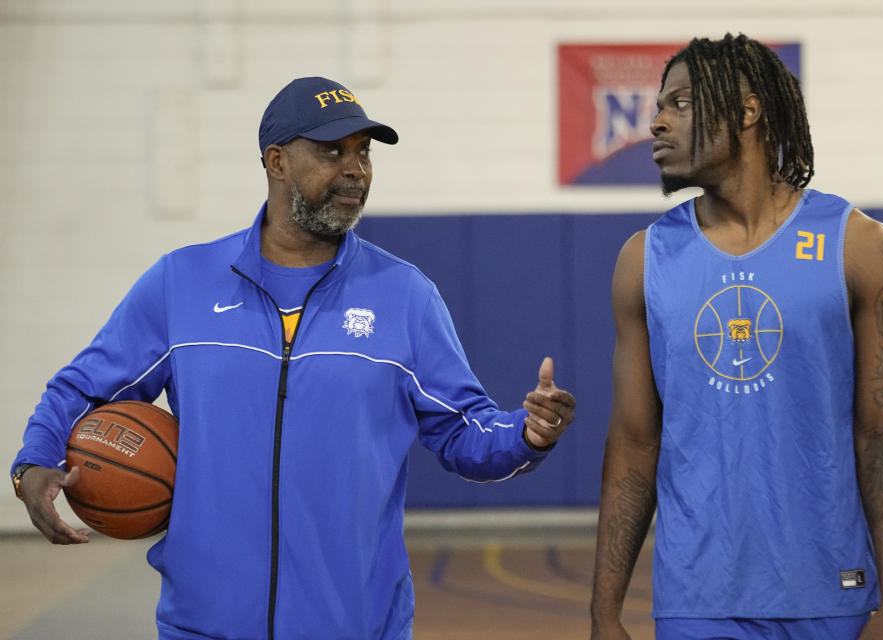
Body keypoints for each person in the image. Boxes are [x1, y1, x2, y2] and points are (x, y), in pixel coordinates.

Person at [10, 76, 576, 640]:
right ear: (276, 162)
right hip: (205, 626)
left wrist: (526, 433)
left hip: (354, 627)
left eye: (364, 153)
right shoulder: (179, 283)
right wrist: (34, 461)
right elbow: (83, 389)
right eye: (332, 151)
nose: (356, 169)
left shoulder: (405, 296)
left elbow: (463, 431)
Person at [590, 34, 883, 640]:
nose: (657, 123)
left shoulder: (860, 246)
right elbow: (635, 443)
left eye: (681, 104)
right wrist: (604, 613)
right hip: (696, 602)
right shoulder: (644, 261)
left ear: (748, 110)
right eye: (659, 107)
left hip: (831, 593)